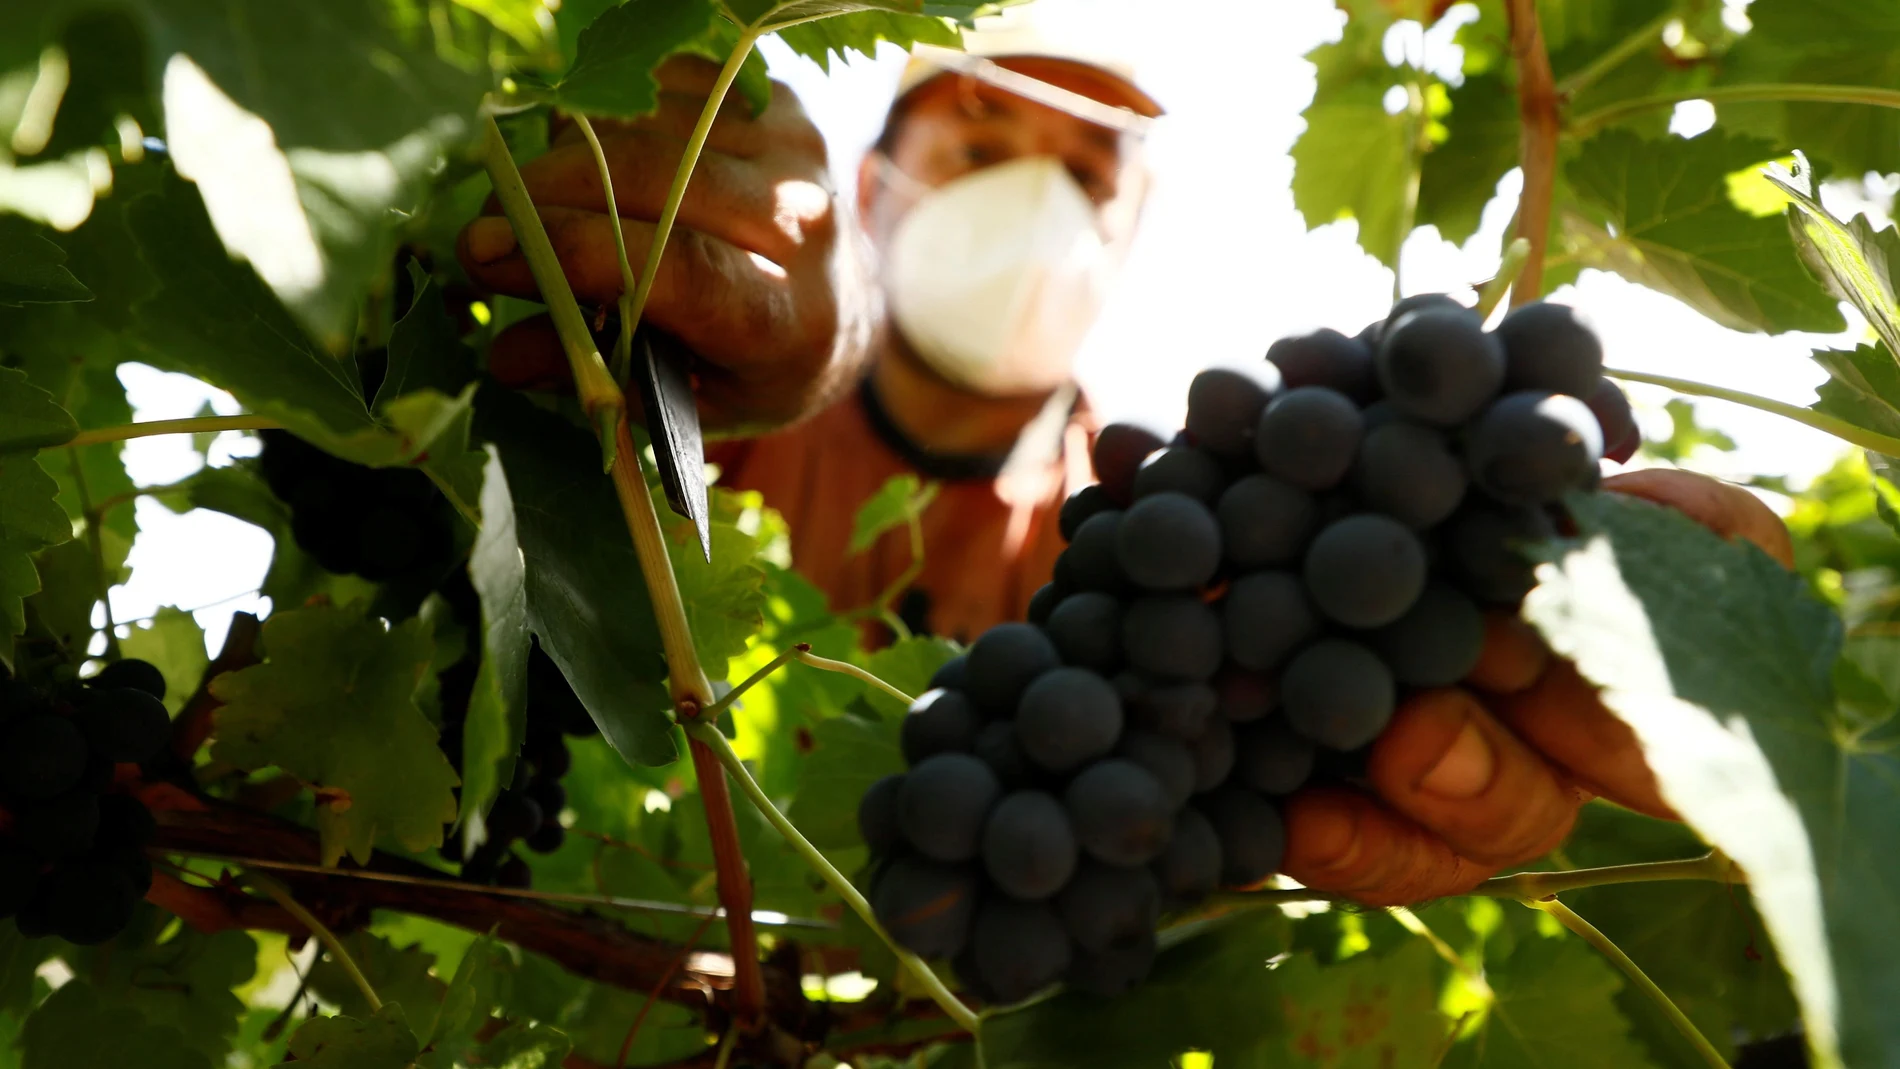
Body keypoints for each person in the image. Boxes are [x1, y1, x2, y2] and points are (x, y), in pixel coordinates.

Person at [454, 24, 1793, 906]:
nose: (1022, 206)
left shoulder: (1176, 525)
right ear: (863, 196)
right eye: (977, 154)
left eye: (1081, 184)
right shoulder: (708, 390)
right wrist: (747, 327)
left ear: (1129, 240)